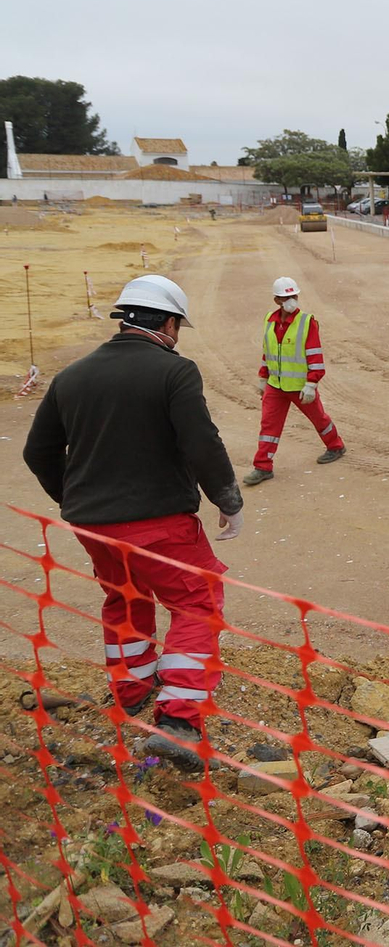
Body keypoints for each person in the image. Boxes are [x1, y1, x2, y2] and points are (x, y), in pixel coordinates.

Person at [23, 275, 243, 770]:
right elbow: (201, 442)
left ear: (124, 317)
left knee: (124, 598)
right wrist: (227, 499)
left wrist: (77, 499)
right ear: (167, 323)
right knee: (196, 600)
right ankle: (179, 719)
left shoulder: (72, 376)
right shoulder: (175, 371)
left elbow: (37, 451)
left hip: (93, 524)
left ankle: (130, 692)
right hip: (160, 521)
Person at [245, 277, 345, 485]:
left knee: (319, 419)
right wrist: (263, 377)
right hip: (276, 385)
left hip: (300, 386)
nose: (291, 300)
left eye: (293, 296)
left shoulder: (307, 322)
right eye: (285, 297)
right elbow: (268, 352)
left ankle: (336, 446)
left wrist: (311, 384)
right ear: (276, 300)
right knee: (268, 426)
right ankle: (262, 467)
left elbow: (315, 356)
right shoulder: (269, 321)